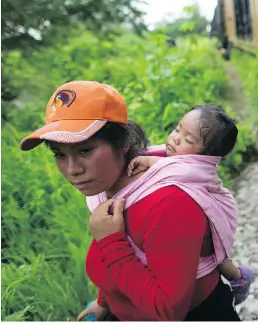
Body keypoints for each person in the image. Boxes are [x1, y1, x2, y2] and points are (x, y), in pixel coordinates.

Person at [19, 81, 242, 321]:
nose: (72, 170)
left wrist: (110, 242)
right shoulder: (107, 188)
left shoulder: (169, 203)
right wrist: (105, 301)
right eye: (59, 154)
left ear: (123, 142)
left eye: (85, 151)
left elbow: (169, 312)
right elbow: (134, 258)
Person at [127, 104, 255, 305]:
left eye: (188, 139)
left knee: (219, 259)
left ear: (205, 155)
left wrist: (151, 162)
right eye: (178, 129)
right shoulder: (170, 156)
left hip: (216, 208)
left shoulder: (198, 167)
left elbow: (181, 172)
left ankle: (240, 278)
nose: (176, 138)